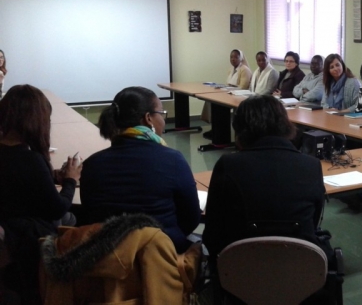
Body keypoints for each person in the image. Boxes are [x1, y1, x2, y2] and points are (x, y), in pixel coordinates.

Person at [202, 95, 333, 300]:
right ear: (284, 124)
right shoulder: (311, 165)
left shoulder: (228, 165)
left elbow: (212, 233)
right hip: (301, 275)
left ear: (241, 130)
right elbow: (314, 221)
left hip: (240, 278)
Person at [80, 86, 201, 254]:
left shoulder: (92, 165)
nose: (164, 121)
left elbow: (89, 216)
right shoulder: (173, 160)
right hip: (163, 259)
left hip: (108, 261)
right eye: (161, 114)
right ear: (148, 118)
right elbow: (191, 218)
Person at [0, 84, 82, 304]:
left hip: (8, 229)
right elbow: (57, 206)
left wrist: (53, 176)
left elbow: (18, 182)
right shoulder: (29, 159)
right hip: (27, 240)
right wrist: (71, 180)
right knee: (72, 217)